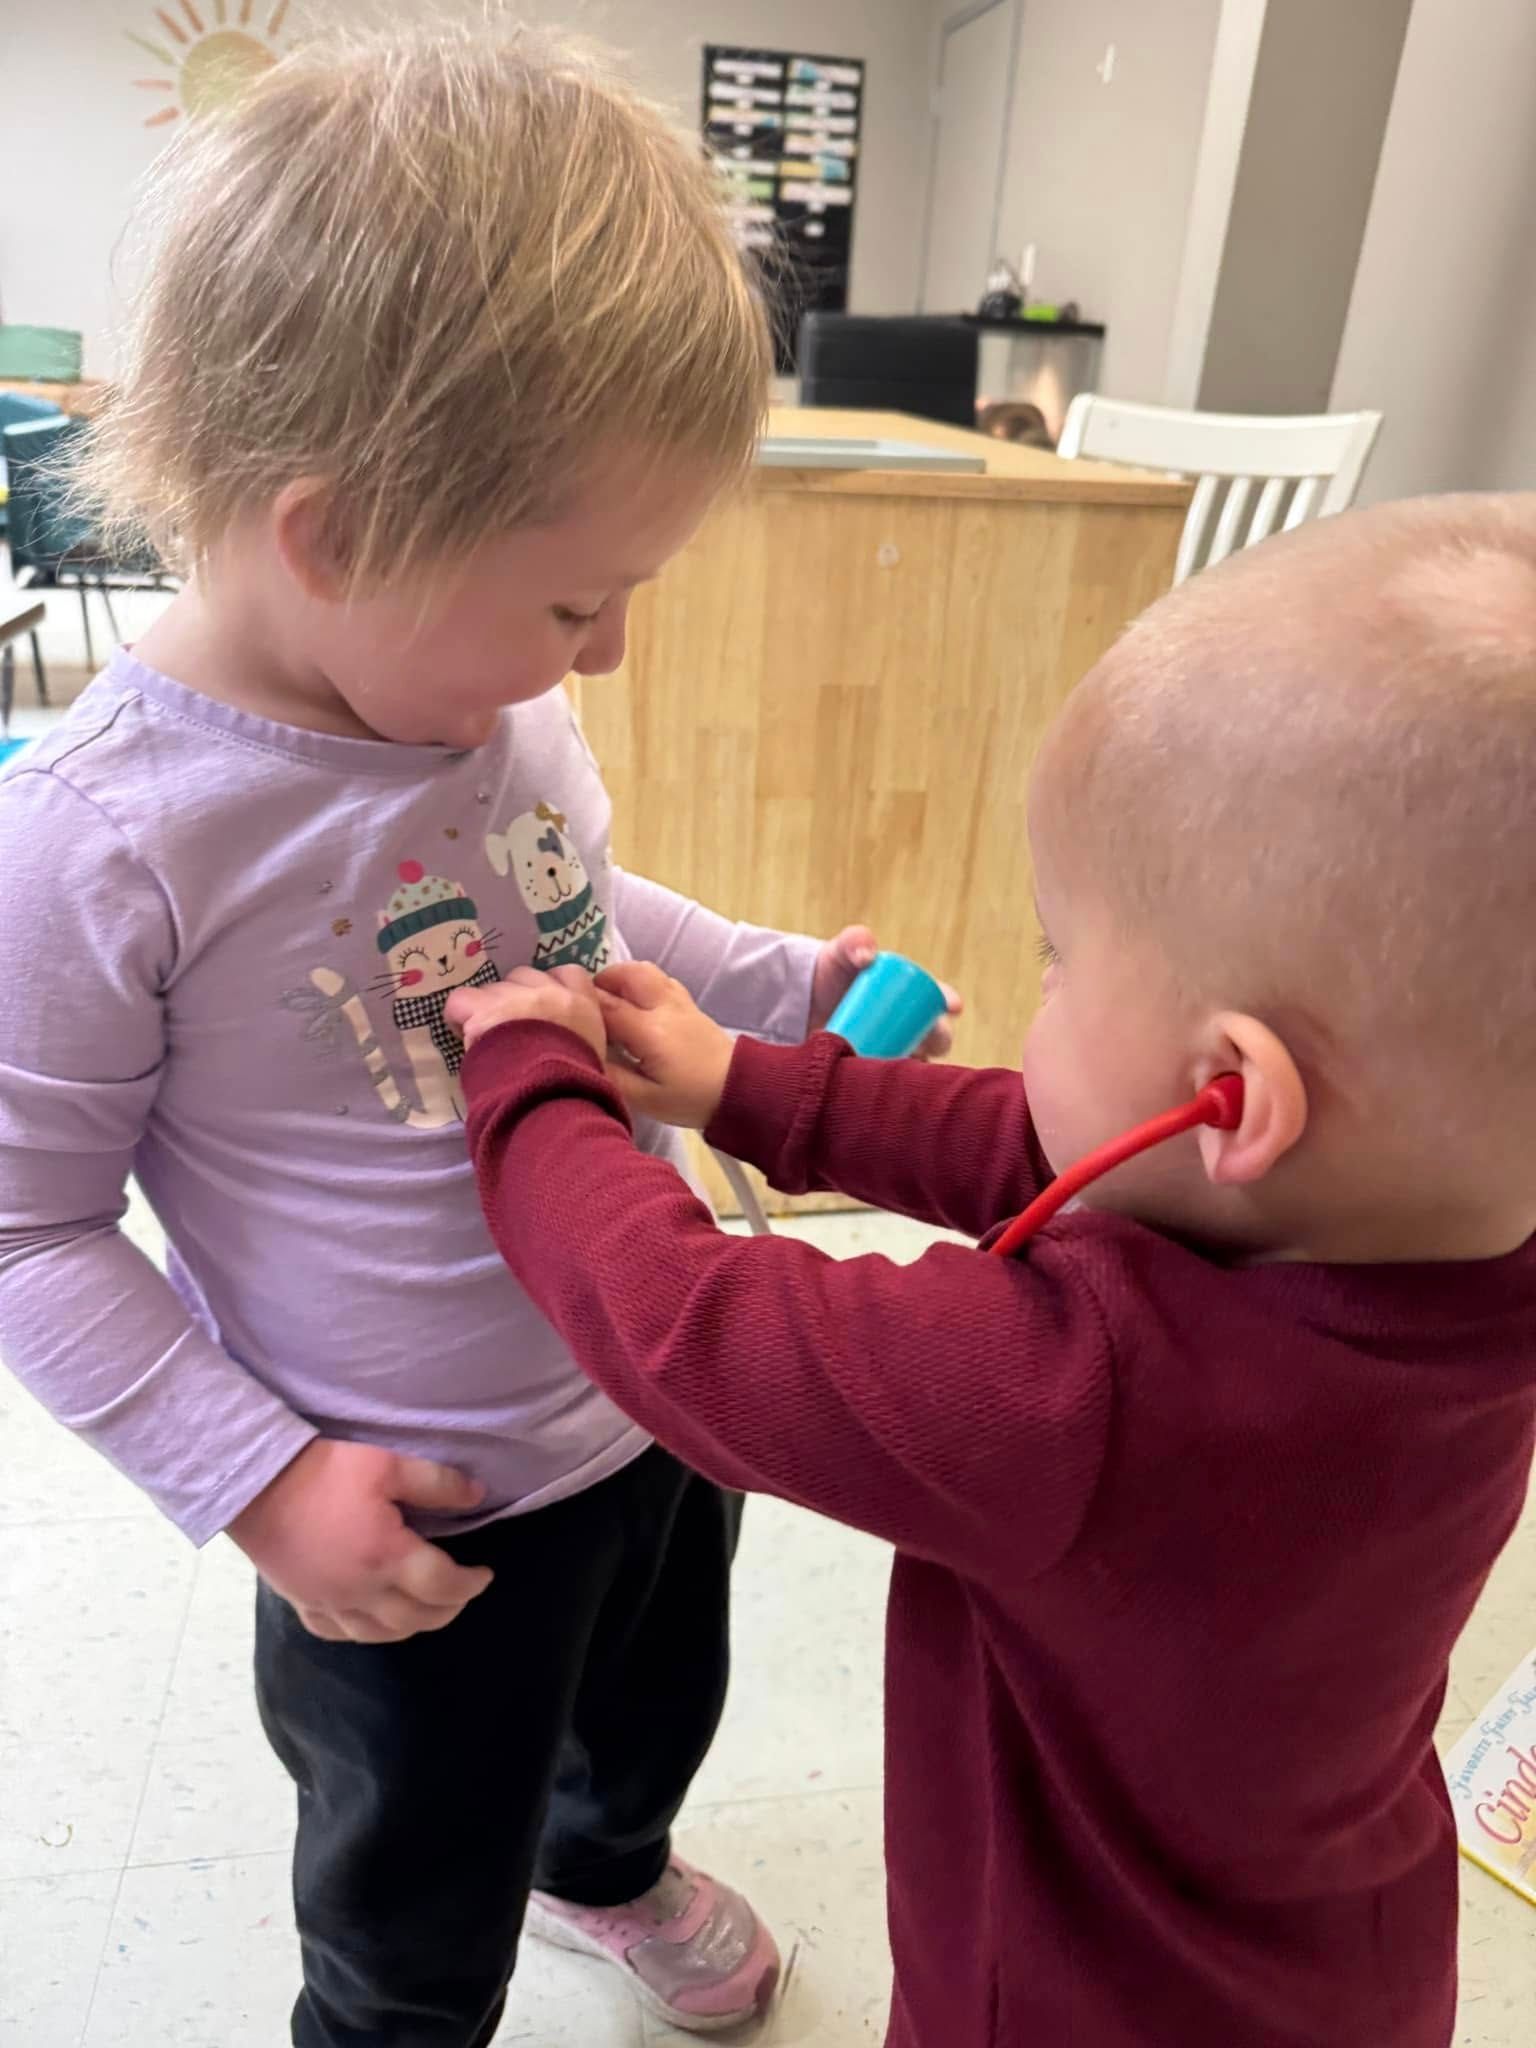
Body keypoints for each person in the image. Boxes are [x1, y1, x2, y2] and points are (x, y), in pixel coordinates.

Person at [0, 28, 953, 2047]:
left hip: (659, 1378)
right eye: (576, 601)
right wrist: (254, 1482)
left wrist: (776, 985)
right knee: (411, 1888)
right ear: (333, 537)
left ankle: (606, 1868)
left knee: (648, 1705)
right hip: (416, 1513)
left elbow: (579, 909)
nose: (607, 653)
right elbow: (26, 1233)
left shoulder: (478, 698)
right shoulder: (96, 846)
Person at [449, 494, 1536, 2048]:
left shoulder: (1081, 1402)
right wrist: (748, 1082)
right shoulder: (1463, 1251)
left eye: (1059, 955)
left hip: (1072, 2006)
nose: (1042, 987)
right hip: (1341, 1962)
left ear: (1233, 1093)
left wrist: (536, 1095)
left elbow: (696, 1331)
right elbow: (1062, 1153)